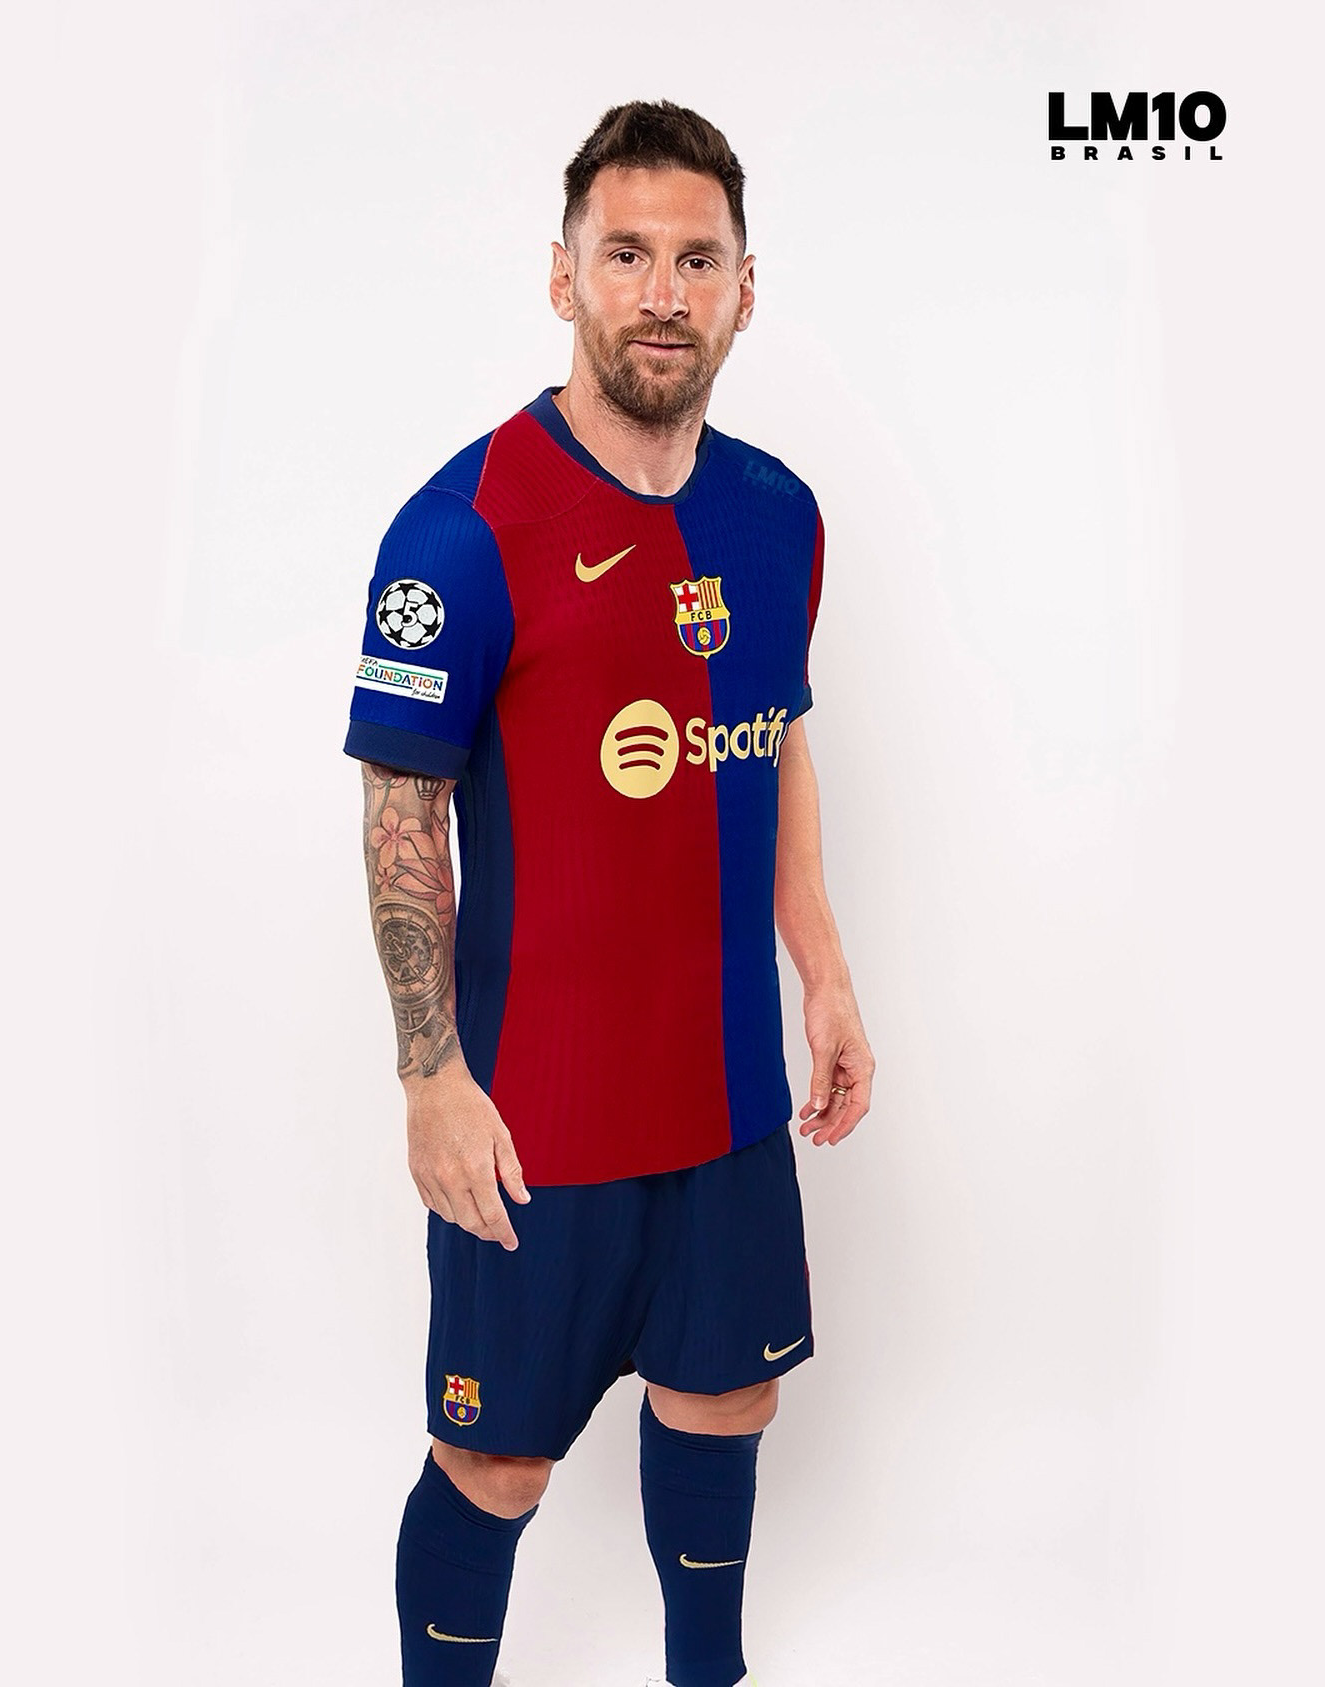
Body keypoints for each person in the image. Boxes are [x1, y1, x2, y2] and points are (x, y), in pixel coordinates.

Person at [344, 98, 875, 1687]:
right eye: (625, 253)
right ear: (562, 275)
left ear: (742, 290)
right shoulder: (464, 527)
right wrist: (430, 1077)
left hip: (724, 1098)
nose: (661, 291)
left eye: (694, 260)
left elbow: (770, 740)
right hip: (538, 1116)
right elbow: (401, 815)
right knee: (494, 1464)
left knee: (726, 1399)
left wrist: (823, 974)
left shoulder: (777, 516)